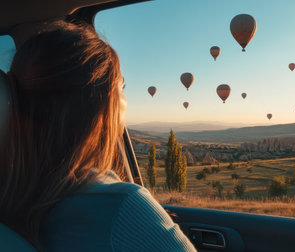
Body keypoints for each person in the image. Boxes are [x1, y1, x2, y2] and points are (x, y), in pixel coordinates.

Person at [0, 21, 196, 251]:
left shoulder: (10, 198)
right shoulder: (122, 207)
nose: (125, 99)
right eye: (122, 87)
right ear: (101, 104)